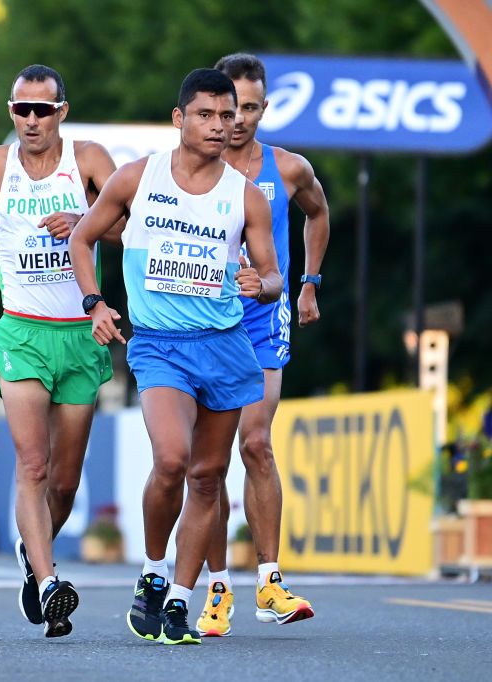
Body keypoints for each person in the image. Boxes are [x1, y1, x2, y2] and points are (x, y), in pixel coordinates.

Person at [69, 68, 283, 645]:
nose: (220, 126)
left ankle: (181, 602)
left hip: (226, 347)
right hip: (161, 346)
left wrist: (257, 284)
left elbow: (272, 276)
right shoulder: (139, 179)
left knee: (209, 477)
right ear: (179, 119)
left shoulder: (243, 197)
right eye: (207, 115)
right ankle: (153, 573)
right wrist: (94, 303)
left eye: (228, 115)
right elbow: (81, 238)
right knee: (170, 460)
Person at [0, 64, 122, 638]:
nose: (31, 120)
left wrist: (85, 222)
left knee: (65, 483)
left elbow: (131, 223)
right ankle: (49, 585)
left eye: (42, 110)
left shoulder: (89, 160)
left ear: (61, 112)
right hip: (20, 331)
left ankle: (31, 550)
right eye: (21, 109)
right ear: (11, 112)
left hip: (80, 332)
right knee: (34, 465)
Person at [192, 53, 331, 637]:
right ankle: (217, 589)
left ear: (264, 108)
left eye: (251, 107)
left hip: (262, 318)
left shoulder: (288, 168)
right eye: (232, 108)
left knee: (255, 442)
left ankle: (270, 582)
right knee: (209, 465)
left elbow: (318, 215)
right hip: (200, 321)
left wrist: (308, 283)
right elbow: (133, 213)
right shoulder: (192, 168)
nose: (240, 119)